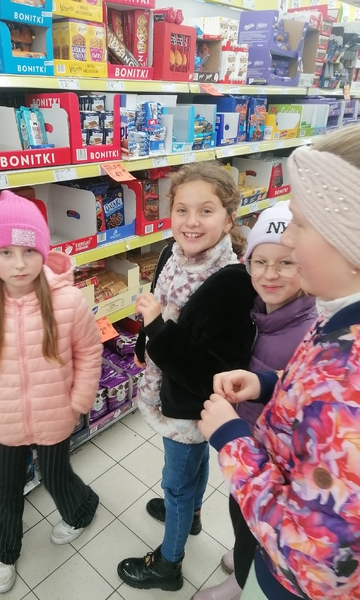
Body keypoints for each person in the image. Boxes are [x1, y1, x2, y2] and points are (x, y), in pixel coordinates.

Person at [198, 124, 360, 600]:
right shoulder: (341, 319)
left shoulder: (351, 380)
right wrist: (269, 383)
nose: (287, 239)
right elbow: (319, 387)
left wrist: (232, 440)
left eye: (302, 224)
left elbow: (319, 564)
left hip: (287, 586)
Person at [0, 190, 102, 594]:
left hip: (56, 413)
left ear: (43, 251)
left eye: (29, 251)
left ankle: (81, 510)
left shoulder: (67, 301)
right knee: (7, 489)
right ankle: (4, 551)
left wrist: (78, 400)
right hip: (5, 420)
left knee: (56, 476)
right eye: (6, 252)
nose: (19, 264)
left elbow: (88, 351)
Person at [117, 161, 258, 592]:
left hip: (190, 405)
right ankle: (192, 514)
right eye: (182, 210)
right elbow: (155, 303)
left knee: (175, 482)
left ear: (228, 219)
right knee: (192, 468)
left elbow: (210, 373)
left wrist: (157, 329)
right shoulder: (170, 253)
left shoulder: (233, 284)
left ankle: (169, 565)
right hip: (167, 390)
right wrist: (143, 345)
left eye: (206, 211)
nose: (191, 222)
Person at [197, 201, 317, 600]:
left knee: (251, 524)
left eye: (285, 263)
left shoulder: (307, 334)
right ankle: (242, 555)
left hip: (266, 465)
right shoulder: (257, 311)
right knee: (240, 513)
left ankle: (240, 580)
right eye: (259, 262)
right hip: (248, 450)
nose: (269, 274)